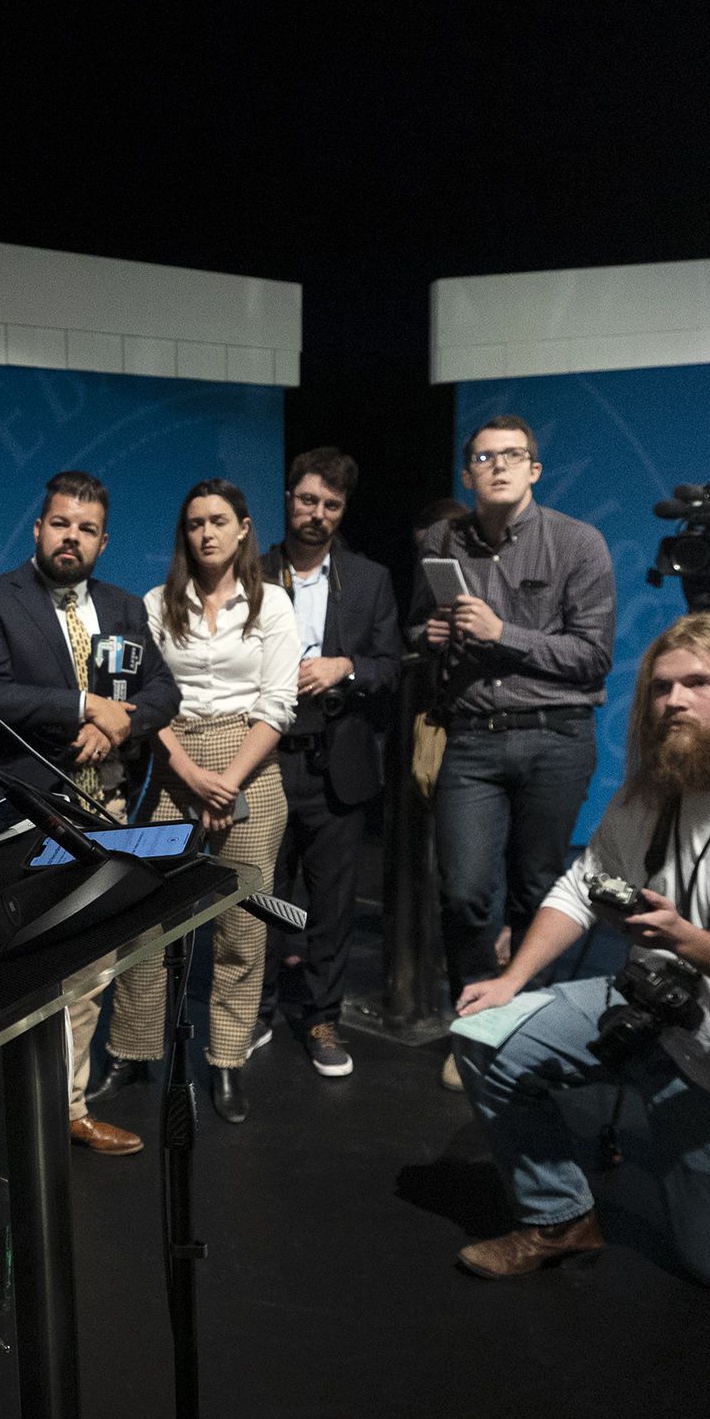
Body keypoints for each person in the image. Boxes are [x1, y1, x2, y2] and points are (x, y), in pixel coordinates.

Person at [452, 612, 710, 1286]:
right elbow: (582, 886)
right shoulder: (651, 793)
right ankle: (559, 1218)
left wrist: (690, 942)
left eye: (700, 683)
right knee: (484, 1037)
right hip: (644, 1011)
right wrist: (513, 978)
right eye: (661, 686)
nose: (674, 700)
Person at [0, 471, 182, 1155]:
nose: (71, 537)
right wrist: (85, 707)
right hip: (19, 810)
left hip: (104, 809)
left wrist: (121, 722)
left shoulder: (123, 607)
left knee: (90, 970)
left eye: (86, 529)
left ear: (103, 541)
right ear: (38, 529)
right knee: (7, 965)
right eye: (60, 524)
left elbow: (164, 691)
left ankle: (68, 1110)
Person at [411, 418, 616, 1057]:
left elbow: (593, 657)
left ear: (534, 470)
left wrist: (503, 633)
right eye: (484, 457)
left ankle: (523, 1026)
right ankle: (476, 1025)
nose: (498, 465)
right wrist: (429, 635)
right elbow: (416, 627)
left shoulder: (578, 542)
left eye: (512, 455)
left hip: (555, 735)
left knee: (536, 889)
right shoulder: (441, 539)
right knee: (464, 892)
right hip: (472, 738)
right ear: (467, 474)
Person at [102, 481, 300, 1124]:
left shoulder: (272, 602)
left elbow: (279, 702)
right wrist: (189, 773)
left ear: (243, 528)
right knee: (146, 916)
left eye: (218, 521)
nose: (207, 533)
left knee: (243, 925)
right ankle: (132, 1052)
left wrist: (229, 781)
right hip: (173, 761)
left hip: (251, 764)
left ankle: (227, 1061)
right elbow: (143, 697)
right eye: (195, 524)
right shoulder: (157, 603)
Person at [257, 448, 402, 1076]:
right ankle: (256, 1010)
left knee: (333, 905)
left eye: (332, 505)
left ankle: (321, 1018)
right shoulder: (250, 572)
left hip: (335, 762)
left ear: (342, 512)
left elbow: (391, 666)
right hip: (263, 758)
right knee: (261, 897)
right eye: (309, 499)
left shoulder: (368, 579)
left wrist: (345, 665)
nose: (318, 513)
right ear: (289, 498)